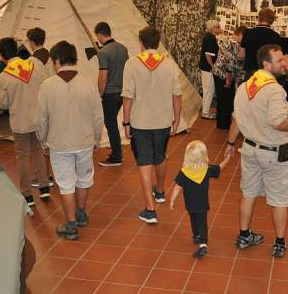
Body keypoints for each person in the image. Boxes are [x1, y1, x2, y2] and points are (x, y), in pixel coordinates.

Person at [225, 44, 288, 258]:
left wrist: (230, 143)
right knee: (280, 199)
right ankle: (279, 243)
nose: (284, 63)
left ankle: (244, 235)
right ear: (266, 64)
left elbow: (236, 119)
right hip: (274, 153)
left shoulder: (244, 87)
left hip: (249, 150)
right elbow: (278, 123)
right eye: (279, 60)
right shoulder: (275, 90)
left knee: (248, 193)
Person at [35, 41, 103, 240]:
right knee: (84, 179)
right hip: (85, 141)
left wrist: (43, 141)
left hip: (59, 143)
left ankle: (71, 225)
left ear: (56, 60)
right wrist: (97, 138)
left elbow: (41, 119)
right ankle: (81, 213)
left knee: (66, 184)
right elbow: (98, 116)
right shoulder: (88, 84)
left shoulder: (47, 86)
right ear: (74, 59)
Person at [122, 26, 182, 224]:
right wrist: (176, 120)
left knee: (144, 162)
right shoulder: (169, 64)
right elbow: (177, 96)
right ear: (158, 43)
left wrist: (126, 122)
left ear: (141, 43)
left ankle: (150, 209)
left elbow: (128, 97)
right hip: (163, 120)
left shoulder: (131, 64)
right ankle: (161, 191)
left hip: (140, 122)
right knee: (160, 156)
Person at [0, 37, 50, 207]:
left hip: (20, 122)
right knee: (38, 151)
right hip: (37, 118)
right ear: (17, 49)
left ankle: (27, 194)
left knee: (22, 156)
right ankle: (44, 187)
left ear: (1, 55)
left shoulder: (3, 77)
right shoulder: (34, 66)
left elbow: (2, 103)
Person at [169, 140, 231, 259]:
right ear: (203, 155)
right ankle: (203, 244)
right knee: (202, 223)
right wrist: (227, 159)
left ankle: (196, 236)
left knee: (193, 220)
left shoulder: (184, 172)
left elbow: (177, 186)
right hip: (202, 204)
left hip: (190, 204)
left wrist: (172, 199)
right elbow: (220, 167)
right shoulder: (207, 170)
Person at [94, 22, 129, 167]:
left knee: (110, 123)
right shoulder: (123, 48)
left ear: (99, 35)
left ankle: (116, 156)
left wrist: (99, 94)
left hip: (109, 93)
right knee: (112, 122)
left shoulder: (103, 52)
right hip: (122, 92)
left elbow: (103, 76)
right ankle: (117, 151)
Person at [26, 27, 55, 186]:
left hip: (37, 104)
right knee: (49, 140)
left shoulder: (30, 62)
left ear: (31, 42)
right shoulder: (52, 58)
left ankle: (44, 176)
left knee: (39, 143)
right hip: (52, 102)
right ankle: (49, 174)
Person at [240, 8, 288, 80]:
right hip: (268, 73)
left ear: (259, 18)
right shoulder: (276, 36)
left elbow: (242, 55)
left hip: (251, 72)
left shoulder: (247, 33)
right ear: (272, 21)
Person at [212, 26, 246, 129]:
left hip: (227, 74)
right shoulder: (231, 43)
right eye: (244, 36)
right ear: (239, 34)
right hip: (222, 74)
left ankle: (224, 123)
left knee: (226, 99)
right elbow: (229, 63)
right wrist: (228, 80)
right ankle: (223, 124)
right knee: (224, 100)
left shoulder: (235, 43)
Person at [199, 20, 221, 119]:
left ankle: (205, 111)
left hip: (205, 67)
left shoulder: (209, 36)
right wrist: (212, 66)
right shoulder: (210, 38)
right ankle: (205, 113)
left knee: (207, 90)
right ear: (213, 29)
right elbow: (208, 54)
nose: (220, 29)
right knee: (209, 90)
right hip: (207, 68)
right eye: (218, 27)